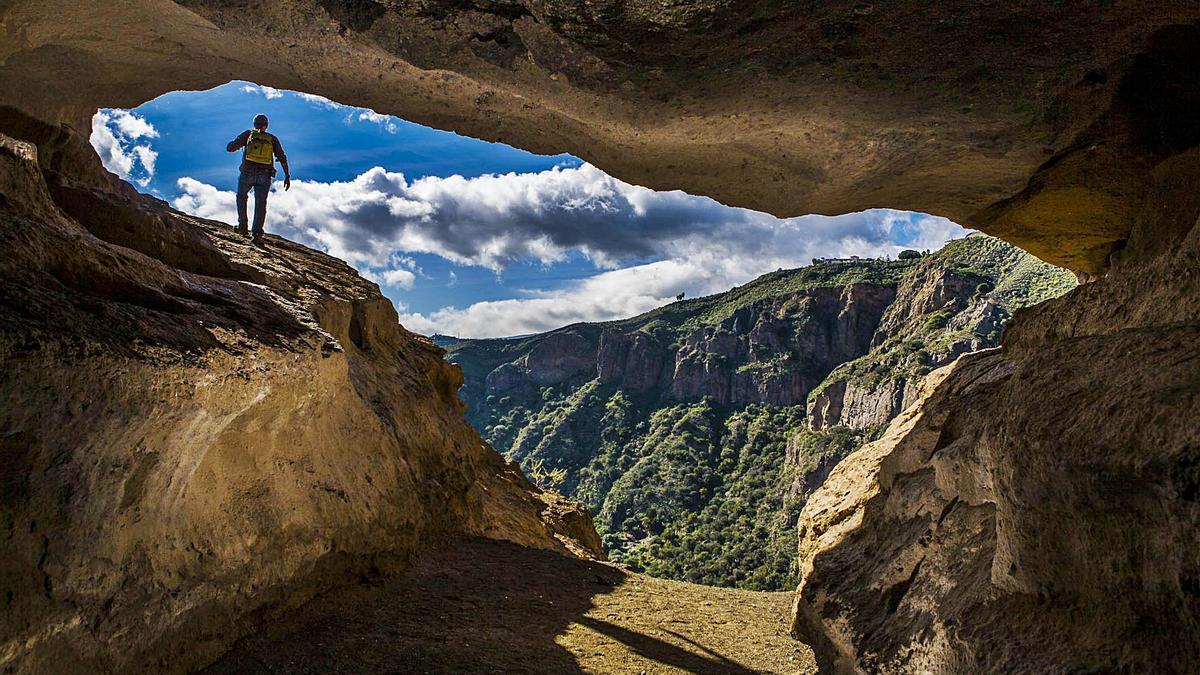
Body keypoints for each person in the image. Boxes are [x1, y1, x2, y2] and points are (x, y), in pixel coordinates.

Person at [226, 114, 290, 245]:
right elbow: (282, 158)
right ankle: (256, 234)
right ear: (266, 125)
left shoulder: (248, 134)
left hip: (247, 173)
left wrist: (237, 143)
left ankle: (242, 227)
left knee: (241, 197)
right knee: (261, 204)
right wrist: (287, 176)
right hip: (265, 175)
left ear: (254, 124)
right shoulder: (272, 138)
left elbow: (230, 148)